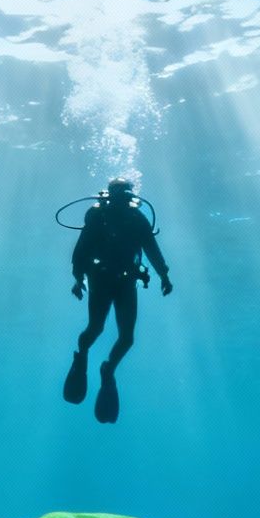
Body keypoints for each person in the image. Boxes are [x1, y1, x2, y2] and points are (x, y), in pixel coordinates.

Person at [64, 177, 172, 423]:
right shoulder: (96, 216)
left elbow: (153, 250)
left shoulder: (138, 219)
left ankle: (108, 369)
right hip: (101, 280)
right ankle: (81, 355)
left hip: (125, 282)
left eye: (125, 193)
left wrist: (164, 274)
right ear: (110, 195)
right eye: (119, 193)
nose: (122, 198)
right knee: (96, 328)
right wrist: (77, 278)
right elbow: (81, 250)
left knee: (127, 338)